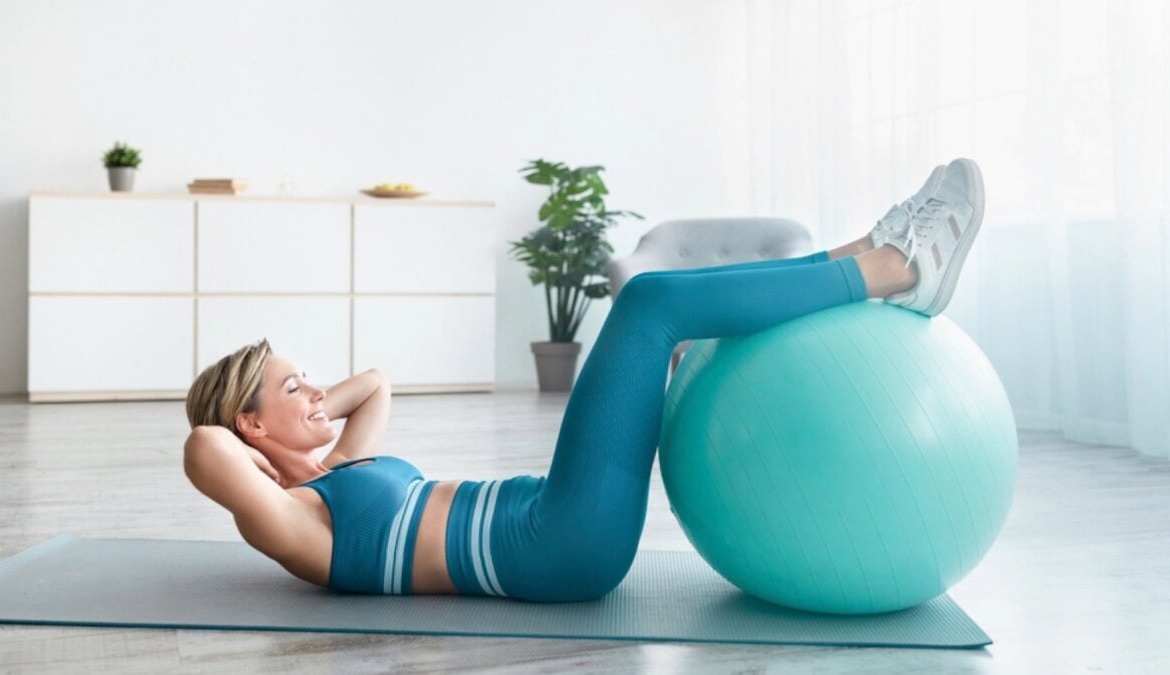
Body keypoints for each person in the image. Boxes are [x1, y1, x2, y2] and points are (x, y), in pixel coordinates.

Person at [183, 158, 984, 602]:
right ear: (250, 428)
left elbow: (378, 384)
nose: (319, 394)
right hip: (557, 542)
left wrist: (304, 406)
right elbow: (202, 445)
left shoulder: (338, 474)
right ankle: (896, 265)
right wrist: (261, 448)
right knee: (651, 302)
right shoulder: (293, 522)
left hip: (550, 509)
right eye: (293, 390)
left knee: (658, 309)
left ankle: (872, 254)